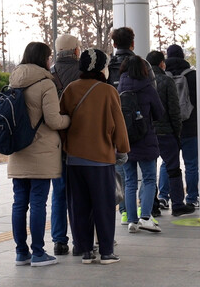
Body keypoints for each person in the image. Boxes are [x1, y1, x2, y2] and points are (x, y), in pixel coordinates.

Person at [60, 48, 129, 264]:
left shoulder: (70, 89)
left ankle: (86, 251)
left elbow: (62, 122)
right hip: (100, 158)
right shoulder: (108, 91)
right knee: (103, 206)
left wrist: (66, 147)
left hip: (74, 159)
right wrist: (123, 148)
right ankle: (106, 251)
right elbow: (119, 123)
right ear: (101, 68)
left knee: (79, 206)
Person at [8, 42, 71, 267]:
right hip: (41, 151)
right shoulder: (46, 83)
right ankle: (38, 252)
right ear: (43, 58)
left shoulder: (14, 80)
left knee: (19, 203)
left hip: (18, 150)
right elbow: (54, 120)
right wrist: (69, 120)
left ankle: (21, 252)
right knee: (38, 202)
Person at [118, 55, 165, 232]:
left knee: (130, 181)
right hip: (146, 139)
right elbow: (160, 113)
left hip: (126, 140)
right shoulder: (148, 88)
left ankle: (131, 221)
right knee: (149, 178)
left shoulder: (119, 88)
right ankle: (145, 217)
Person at [146, 51, 195, 217]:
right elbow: (174, 110)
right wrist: (177, 131)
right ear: (161, 64)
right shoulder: (166, 81)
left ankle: (152, 206)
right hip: (166, 132)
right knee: (173, 169)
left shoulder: (142, 81)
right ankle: (178, 204)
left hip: (147, 133)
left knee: (149, 172)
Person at [50, 34, 82, 256]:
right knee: (80, 192)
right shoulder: (85, 72)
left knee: (59, 192)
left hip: (55, 140)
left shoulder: (49, 74)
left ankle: (59, 241)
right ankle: (81, 238)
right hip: (81, 140)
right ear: (76, 51)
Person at [165, 44, 200, 207]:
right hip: (189, 125)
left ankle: (164, 196)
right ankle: (192, 198)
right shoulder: (192, 75)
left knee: (168, 162)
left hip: (168, 127)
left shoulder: (162, 75)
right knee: (191, 163)